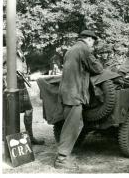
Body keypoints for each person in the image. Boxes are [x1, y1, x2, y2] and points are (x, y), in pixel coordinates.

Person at [54, 30, 103, 170]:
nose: (93, 44)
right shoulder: (84, 49)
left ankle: (63, 154)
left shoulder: (71, 50)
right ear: (88, 39)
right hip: (74, 93)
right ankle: (62, 159)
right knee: (72, 125)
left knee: (75, 124)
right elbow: (98, 68)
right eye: (93, 41)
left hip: (66, 92)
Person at [3, 39, 45, 145]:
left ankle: (30, 137)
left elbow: (22, 68)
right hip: (10, 85)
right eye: (18, 41)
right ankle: (7, 138)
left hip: (21, 84)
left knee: (29, 110)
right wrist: (9, 71)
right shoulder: (5, 52)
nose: (21, 43)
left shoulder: (20, 53)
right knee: (10, 112)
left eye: (21, 41)